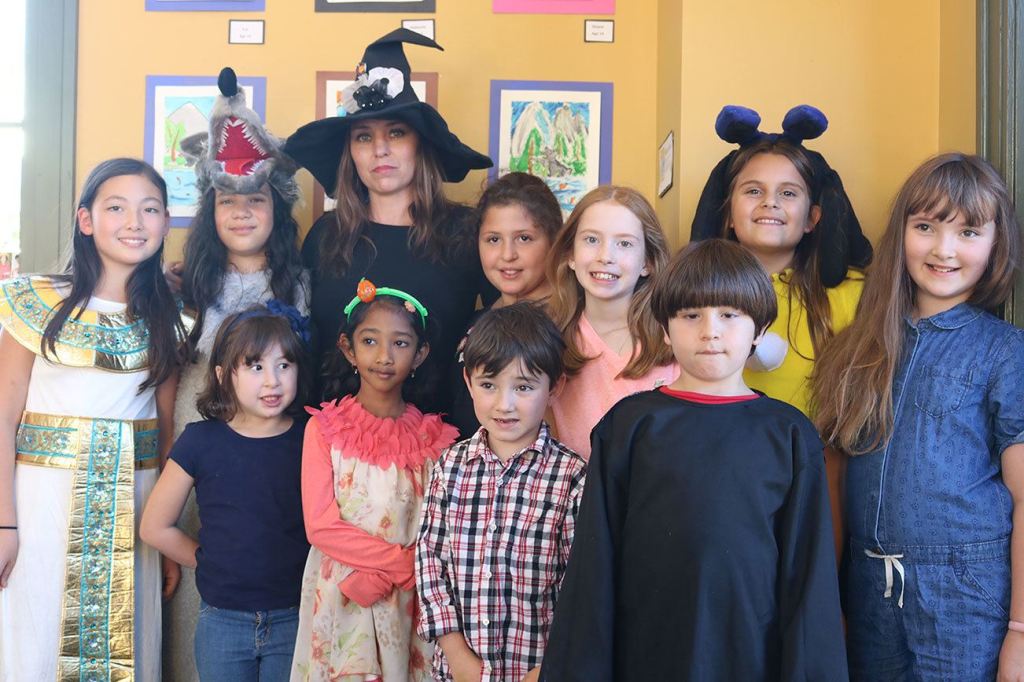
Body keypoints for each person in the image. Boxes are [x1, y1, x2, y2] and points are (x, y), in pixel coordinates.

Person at [541, 239, 847, 681]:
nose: (711, 331)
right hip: (647, 652)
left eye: (730, 315)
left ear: (759, 329)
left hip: (752, 654)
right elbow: (594, 569)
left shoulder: (790, 435)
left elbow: (808, 580)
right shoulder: (629, 427)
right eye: (691, 316)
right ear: (665, 328)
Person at [812, 153, 1024, 680]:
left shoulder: (1004, 351)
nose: (943, 249)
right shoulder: (855, 347)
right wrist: (827, 600)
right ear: (902, 232)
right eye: (926, 226)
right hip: (865, 586)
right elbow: (835, 480)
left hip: (967, 594)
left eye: (969, 231)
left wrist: (1020, 632)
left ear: (996, 244)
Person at [0, 158, 186, 680]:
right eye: (116, 208)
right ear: (86, 220)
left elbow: (166, 432)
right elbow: (3, 416)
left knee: (131, 644)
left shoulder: (171, 319)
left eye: (150, 209)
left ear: (166, 222)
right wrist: (4, 523)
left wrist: (166, 537)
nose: (135, 222)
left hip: (134, 501)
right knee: (33, 636)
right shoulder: (34, 304)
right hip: (40, 504)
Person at [167, 65, 310, 681]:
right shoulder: (186, 286)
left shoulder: (300, 284)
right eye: (229, 202)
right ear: (211, 209)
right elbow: (167, 373)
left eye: (255, 200)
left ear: (275, 206)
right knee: (207, 584)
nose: (243, 213)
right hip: (197, 432)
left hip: (274, 438)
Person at [285, 28, 494, 411]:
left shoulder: (466, 234)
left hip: (442, 451)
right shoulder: (325, 237)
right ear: (350, 152)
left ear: (421, 144)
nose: (380, 149)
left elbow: (515, 317)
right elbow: (291, 335)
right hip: (336, 452)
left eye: (396, 133)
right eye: (364, 137)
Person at [292, 280, 458, 681]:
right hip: (343, 595)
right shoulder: (325, 429)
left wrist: (408, 573)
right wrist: (399, 564)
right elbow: (321, 526)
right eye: (370, 341)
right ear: (348, 348)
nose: (384, 356)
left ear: (420, 354)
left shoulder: (434, 441)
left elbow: (440, 526)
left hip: (410, 599)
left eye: (401, 344)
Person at [417, 302, 586, 682]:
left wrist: (549, 665)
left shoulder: (572, 477)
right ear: (468, 383)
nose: (503, 404)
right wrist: (455, 653)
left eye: (523, 387)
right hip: (459, 671)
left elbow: (579, 583)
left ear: (554, 386)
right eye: (489, 385)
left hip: (540, 668)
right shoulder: (450, 466)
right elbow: (431, 560)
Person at [141, 307, 310, 680]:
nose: (273, 381)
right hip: (223, 621)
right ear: (222, 375)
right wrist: (208, 560)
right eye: (255, 367)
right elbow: (154, 527)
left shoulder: (311, 437)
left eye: (284, 365)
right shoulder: (201, 441)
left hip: (295, 617)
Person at [690, 104, 872, 416]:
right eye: (753, 191)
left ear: (812, 218)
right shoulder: (694, 297)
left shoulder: (855, 294)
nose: (770, 202)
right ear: (729, 212)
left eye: (788, 193)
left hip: (814, 458)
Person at [546, 185, 678, 459]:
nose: (605, 256)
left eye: (625, 243)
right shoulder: (548, 341)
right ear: (570, 255)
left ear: (648, 262)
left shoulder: (677, 339)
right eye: (592, 240)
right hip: (574, 498)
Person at [448, 172, 563, 437]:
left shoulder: (569, 321)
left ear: (554, 241)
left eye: (524, 238)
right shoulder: (476, 322)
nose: (507, 255)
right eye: (493, 239)